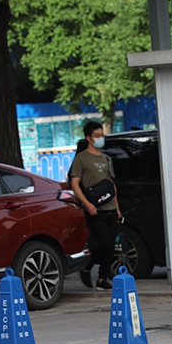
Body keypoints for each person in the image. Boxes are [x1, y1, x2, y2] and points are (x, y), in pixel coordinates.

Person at [69, 121, 121, 289]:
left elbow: (112, 185)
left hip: (110, 207)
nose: (100, 139)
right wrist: (86, 203)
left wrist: (117, 208)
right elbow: (75, 184)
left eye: (102, 135)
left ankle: (102, 278)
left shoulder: (106, 158)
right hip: (94, 209)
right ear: (88, 138)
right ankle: (87, 266)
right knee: (104, 243)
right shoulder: (81, 158)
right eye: (97, 136)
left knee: (111, 246)